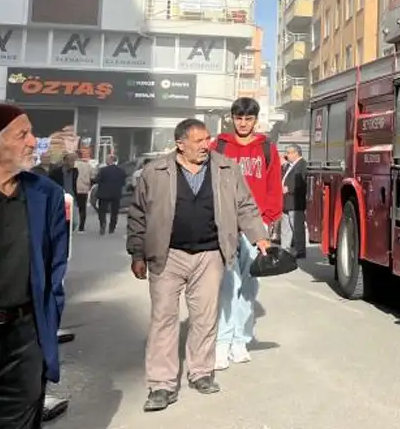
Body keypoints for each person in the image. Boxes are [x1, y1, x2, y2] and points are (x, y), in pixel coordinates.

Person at [125, 118, 270, 412]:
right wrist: (137, 253)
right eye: (199, 141)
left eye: (207, 139)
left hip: (209, 255)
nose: (207, 145)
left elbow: (245, 205)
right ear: (180, 144)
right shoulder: (155, 172)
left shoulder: (226, 169)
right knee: (164, 318)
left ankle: (201, 372)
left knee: (204, 316)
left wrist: (260, 238)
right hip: (167, 254)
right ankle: (162, 384)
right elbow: (138, 215)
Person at [0, 103, 68, 429]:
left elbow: (55, 268)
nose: (33, 141)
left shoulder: (45, 195)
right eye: (22, 134)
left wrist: (45, 328)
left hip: (24, 337)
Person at [212, 98, 281, 371]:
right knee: (227, 285)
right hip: (225, 224)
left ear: (255, 120)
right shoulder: (218, 146)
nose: (243, 123)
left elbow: (274, 186)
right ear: (231, 118)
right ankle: (221, 342)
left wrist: (268, 220)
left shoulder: (267, 148)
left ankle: (240, 339)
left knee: (249, 286)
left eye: (248, 118)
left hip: (256, 227)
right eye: (238, 118)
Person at [280, 144, 308, 259]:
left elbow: (302, 182)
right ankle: (284, 249)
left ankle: (300, 250)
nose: (287, 155)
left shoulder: (302, 165)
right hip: (286, 202)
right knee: (285, 228)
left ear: (296, 153)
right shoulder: (289, 166)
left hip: (295, 202)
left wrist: (289, 188)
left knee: (297, 228)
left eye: (289, 152)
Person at [92, 155, 127, 236]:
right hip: (116, 194)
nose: (106, 161)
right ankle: (112, 228)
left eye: (107, 159)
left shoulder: (103, 170)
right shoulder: (121, 170)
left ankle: (102, 225)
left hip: (104, 194)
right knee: (114, 212)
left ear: (111, 160)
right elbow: (123, 182)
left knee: (102, 211)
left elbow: (97, 180)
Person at [72, 156, 92, 232]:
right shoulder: (87, 165)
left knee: (72, 207)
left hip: (74, 189)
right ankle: (81, 227)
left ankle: (71, 225)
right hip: (84, 189)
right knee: (82, 208)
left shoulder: (73, 165)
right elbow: (93, 175)